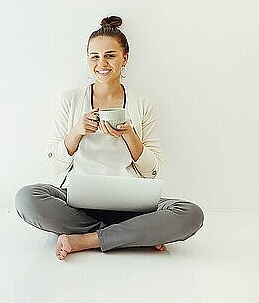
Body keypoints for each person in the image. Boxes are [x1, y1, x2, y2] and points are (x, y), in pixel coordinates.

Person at [15, 16, 204, 260]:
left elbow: (151, 171)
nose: (101, 63)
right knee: (27, 198)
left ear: (125, 58)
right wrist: (77, 130)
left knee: (189, 213)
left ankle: (87, 239)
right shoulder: (71, 100)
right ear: (87, 60)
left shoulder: (142, 104)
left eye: (110, 55)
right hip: (78, 204)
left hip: (130, 207)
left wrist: (129, 134)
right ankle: (131, 237)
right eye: (94, 56)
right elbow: (56, 165)